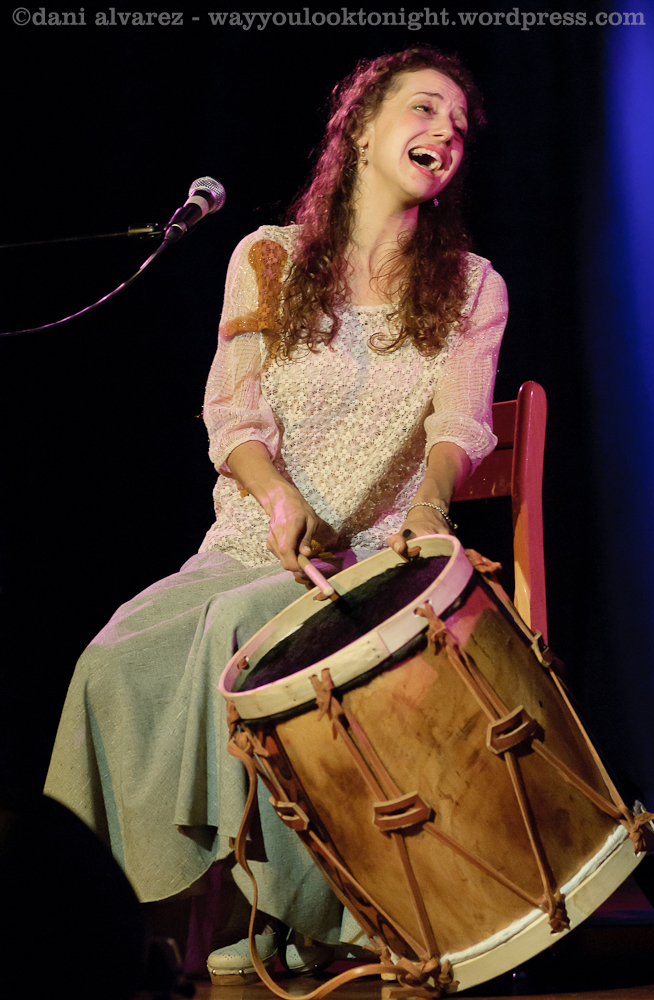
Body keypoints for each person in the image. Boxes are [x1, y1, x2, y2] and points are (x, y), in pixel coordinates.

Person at [44, 46, 508, 983]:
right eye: (424, 109)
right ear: (362, 128)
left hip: (371, 557)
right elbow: (233, 414)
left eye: (458, 124)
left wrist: (427, 506)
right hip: (250, 542)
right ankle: (91, 927)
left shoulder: (471, 285)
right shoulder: (268, 255)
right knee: (111, 661)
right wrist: (278, 495)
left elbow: (460, 422)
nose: (445, 133)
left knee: (244, 627)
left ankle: (288, 906)